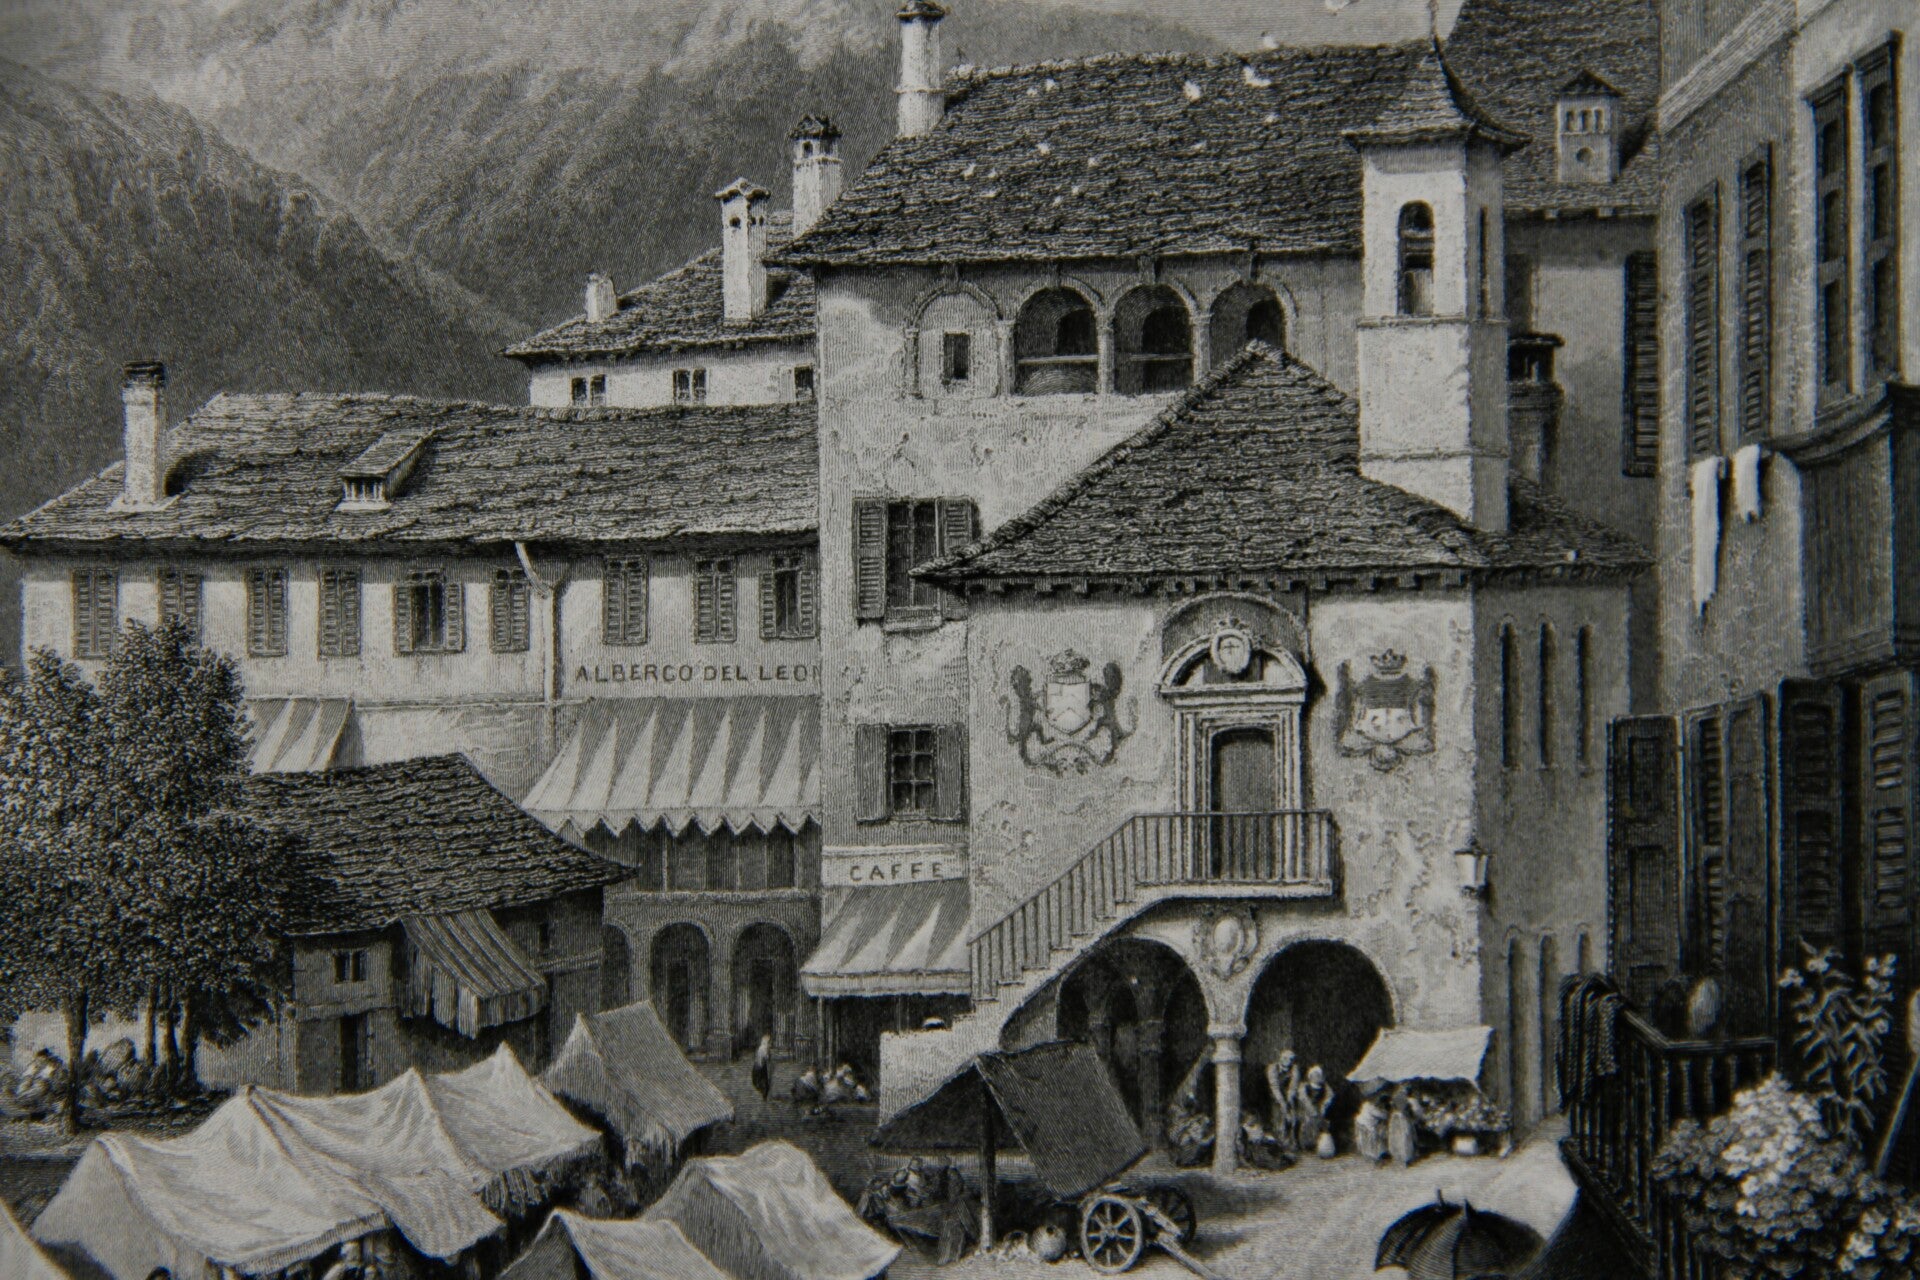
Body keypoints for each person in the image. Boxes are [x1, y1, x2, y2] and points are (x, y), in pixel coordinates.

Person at [1293, 1064, 1336, 1154]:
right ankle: (1306, 1145)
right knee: (1307, 1125)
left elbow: (1330, 1095)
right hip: (1306, 1110)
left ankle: (1318, 1145)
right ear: (1310, 1077)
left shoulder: (1325, 1086)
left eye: (1319, 1075)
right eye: (1315, 1075)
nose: (1317, 1077)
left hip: (1320, 1109)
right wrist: (1311, 1110)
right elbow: (1303, 1098)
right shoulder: (1305, 1086)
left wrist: (1325, 1104)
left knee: (1321, 1125)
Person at [1264, 1049, 1302, 1150]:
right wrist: (1283, 1104)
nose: (1288, 1061)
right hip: (1275, 1096)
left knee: (1292, 1117)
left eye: (1290, 1059)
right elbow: (1274, 1087)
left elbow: (1293, 1086)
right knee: (1279, 1118)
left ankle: (1292, 1142)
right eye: (1285, 1058)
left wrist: (1289, 1101)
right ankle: (1280, 1143)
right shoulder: (1272, 1068)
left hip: (1288, 1095)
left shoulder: (1294, 1069)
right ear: (1280, 1059)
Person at [752, 1033, 773, 1101]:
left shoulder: (763, 1048)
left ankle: (764, 1095)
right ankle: (764, 1093)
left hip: (760, 1066)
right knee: (760, 1081)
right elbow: (766, 1058)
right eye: (769, 1042)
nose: (770, 1044)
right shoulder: (763, 1048)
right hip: (760, 1067)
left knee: (762, 1081)